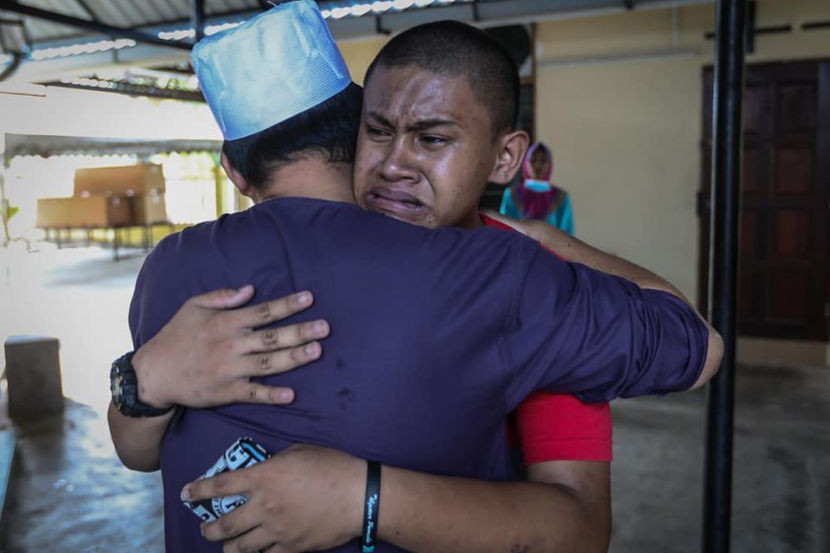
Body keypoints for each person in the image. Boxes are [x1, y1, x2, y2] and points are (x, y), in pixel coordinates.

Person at [107, 4, 722, 553]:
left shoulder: (169, 266)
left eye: (432, 139)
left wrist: (365, 498)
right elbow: (698, 346)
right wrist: (147, 378)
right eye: (381, 132)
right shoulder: (503, 275)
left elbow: (581, 531)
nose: (396, 165)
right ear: (356, 132)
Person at [500, 142, 574, 235]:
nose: (538, 165)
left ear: (550, 164)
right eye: (533, 160)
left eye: (543, 160)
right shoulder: (512, 194)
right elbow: (504, 230)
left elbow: (567, 235)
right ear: (525, 163)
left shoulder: (561, 197)